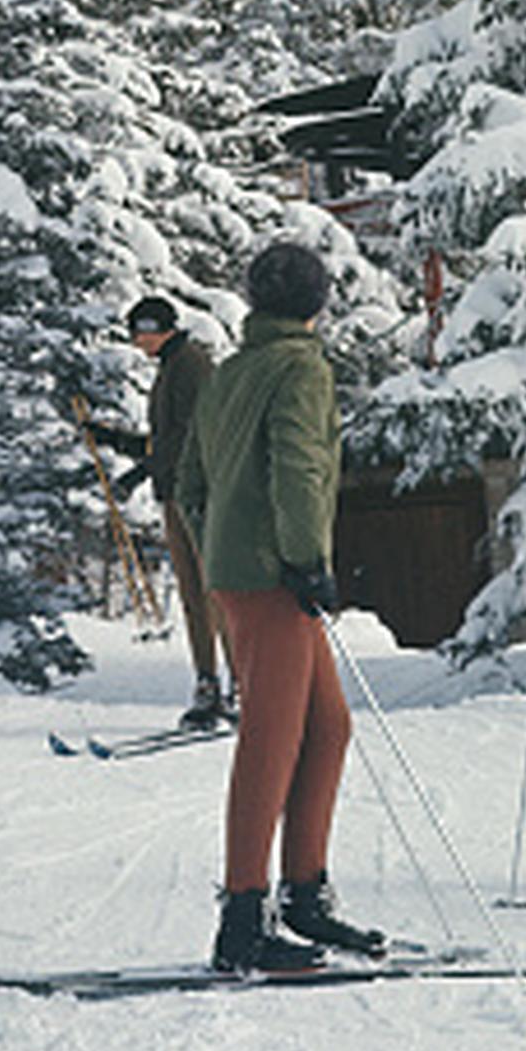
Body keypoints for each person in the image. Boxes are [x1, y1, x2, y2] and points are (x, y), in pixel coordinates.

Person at [176, 240, 381, 974]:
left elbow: (189, 481)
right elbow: (297, 465)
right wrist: (304, 559)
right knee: (272, 735)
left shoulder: (232, 372)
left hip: (245, 572)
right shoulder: (301, 368)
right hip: (275, 575)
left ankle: (304, 894)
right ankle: (241, 917)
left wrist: (218, 549)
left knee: (327, 727)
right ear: (319, 304)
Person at [89, 295, 233, 730]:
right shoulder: (172, 367)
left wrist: (138, 471)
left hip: (200, 492)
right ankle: (208, 684)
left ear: (156, 328)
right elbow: (163, 441)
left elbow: (190, 436)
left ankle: (241, 686)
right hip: (174, 492)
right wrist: (115, 440)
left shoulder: (190, 365)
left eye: (139, 332)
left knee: (214, 592)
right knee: (193, 595)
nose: (136, 341)